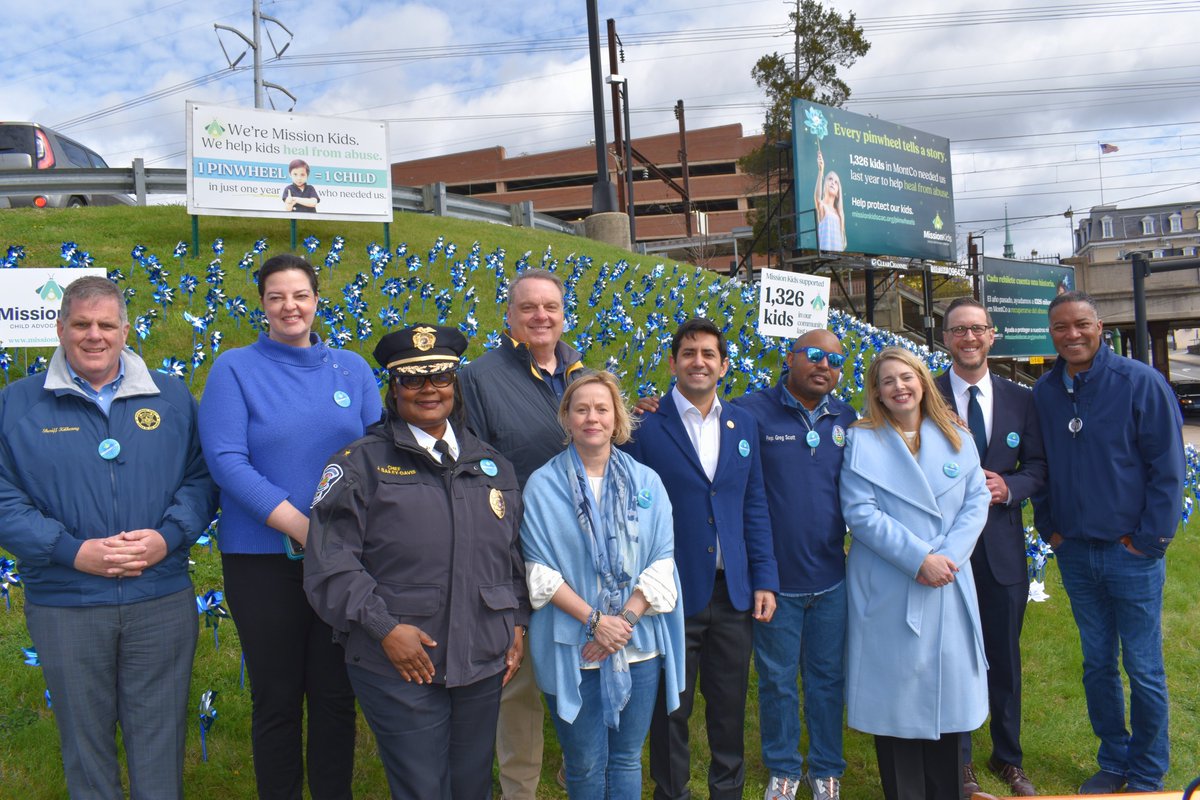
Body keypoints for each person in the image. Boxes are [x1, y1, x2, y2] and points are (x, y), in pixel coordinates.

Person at [0, 275, 218, 800]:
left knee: (160, 739)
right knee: (85, 741)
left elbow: (203, 477)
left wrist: (169, 538)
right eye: (81, 324)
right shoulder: (17, 403)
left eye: (105, 324)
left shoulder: (170, 395)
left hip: (160, 595)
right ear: (59, 327)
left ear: (126, 329)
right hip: (66, 601)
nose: (93, 336)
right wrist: (73, 552)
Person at [304, 324, 528, 800]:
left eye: (441, 378)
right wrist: (384, 628)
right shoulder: (359, 464)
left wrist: (516, 621)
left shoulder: (492, 465)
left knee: (471, 788)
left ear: (455, 384)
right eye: (413, 380)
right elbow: (330, 564)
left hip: (481, 659)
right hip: (400, 661)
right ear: (393, 388)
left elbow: (511, 557)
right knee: (423, 789)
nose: (429, 390)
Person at [199, 254, 381, 799]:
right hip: (261, 559)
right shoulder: (233, 368)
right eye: (276, 297)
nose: (289, 306)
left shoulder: (352, 368)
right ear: (262, 305)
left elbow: (378, 458)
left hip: (344, 560)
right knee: (276, 697)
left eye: (299, 295)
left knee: (334, 693)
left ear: (316, 300)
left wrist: (342, 539)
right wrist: (306, 529)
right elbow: (228, 462)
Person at [1032, 291, 1184, 795]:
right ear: (1050, 334)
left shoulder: (1140, 383)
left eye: (1081, 324)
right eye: (1060, 328)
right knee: (1097, 664)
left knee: (1142, 668)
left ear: (1100, 325)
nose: (1071, 335)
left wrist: (1149, 542)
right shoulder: (1046, 390)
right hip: (1075, 551)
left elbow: (1167, 471)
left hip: (1130, 555)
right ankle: (1114, 759)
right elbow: (1043, 465)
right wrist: (1049, 526)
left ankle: (1146, 773)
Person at [622, 317, 778, 800]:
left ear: (724, 365)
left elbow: (754, 504)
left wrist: (764, 580)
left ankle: (727, 792)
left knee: (729, 707)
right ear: (673, 363)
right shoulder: (644, 426)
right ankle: (672, 792)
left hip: (732, 592)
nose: (699, 362)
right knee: (672, 708)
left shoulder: (743, 424)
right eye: (689, 353)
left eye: (709, 354)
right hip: (670, 592)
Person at [520, 371, 686, 799]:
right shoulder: (543, 485)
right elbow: (539, 569)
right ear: (567, 419)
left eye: (602, 409)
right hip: (572, 644)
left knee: (628, 758)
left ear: (617, 419)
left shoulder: (647, 481)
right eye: (582, 409)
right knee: (586, 763)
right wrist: (595, 621)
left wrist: (622, 622)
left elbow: (662, 561)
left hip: (638, 643)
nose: (592, 417)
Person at [458, 267, 588, 798]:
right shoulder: (480, 377)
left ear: (563, 315)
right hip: (514, 553)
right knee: (520, 688)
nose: (540, 316)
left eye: (550, 307)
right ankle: (518, 788)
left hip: (582, 556)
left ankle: (582, 769)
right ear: (508, 316)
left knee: (586, 670)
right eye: (528, 307)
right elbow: (471, 471)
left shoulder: (584, 375)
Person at [839, 346, 990, 800]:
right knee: (897, 705)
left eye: (906, 377)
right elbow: (860, 513)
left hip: (947, 578)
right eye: (888, 381)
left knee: (946, 707)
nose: (899, 387)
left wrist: (948, 557)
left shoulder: (955, 437)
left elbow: (976, 499)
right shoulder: (861, 440)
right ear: (878, 394)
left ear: (922, 382)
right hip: (892, 583)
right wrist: (918, 558)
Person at [733, 328, 857, 800]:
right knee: (778, 682)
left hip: (831, 577)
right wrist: (650, 405)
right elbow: (695, 418)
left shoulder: (848, 417)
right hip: (775, 581)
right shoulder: (749, 411)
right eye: (814, 355)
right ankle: (783, 767)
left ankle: (826, 767)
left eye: (834, 360)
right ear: (790, 357)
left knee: (827, 679)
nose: (824, 365)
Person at [935, 297, 1046, 798]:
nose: (969, 338)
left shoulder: (1022, 399)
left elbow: (1039, 468)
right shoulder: (924, 393)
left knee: (1004, 657)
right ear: (946, 339)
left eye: (977, 329)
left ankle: (1008, 758)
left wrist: (1010, 488)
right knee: (951, 658)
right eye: (959, 331)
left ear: (992, 335)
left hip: (1001, 551)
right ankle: (958, 763)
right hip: (944, 555)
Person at [814, 150, 846, 252]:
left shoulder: (839, 213)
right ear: (825, 184)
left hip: (837, 254)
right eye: (830, 179)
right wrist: (821, 171)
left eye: (836, 182)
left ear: (838, 192)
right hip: (824, 250)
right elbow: (817, 198)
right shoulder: (823, 206)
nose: (833, 183)